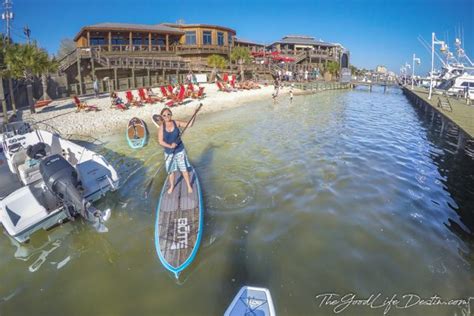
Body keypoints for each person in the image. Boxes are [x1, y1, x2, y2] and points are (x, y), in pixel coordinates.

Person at [158, 108, 197, 194]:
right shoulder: (161, 127)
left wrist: (194, 113)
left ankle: (188, 185)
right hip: (168, 152)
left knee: (183, 168)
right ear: (162, 117)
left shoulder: (176, 122)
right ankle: (172, 186)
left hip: (179, 150)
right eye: (164, 115)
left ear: (171, 114)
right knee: (171, 171)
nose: (167, 116)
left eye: (168, 114)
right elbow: (160, 141)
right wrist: (170, 146)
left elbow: (189, 124)